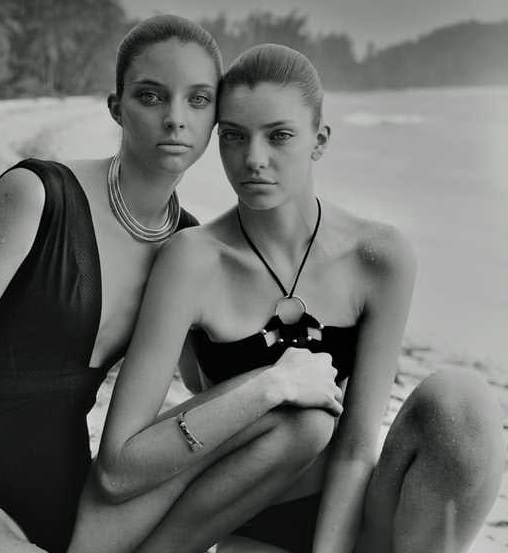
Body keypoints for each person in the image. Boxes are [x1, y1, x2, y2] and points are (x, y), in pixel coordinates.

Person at [72, 44, 505, 553]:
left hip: (354, 507)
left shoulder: (378, 257)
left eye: (279, 136)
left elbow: (356, 445)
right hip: (250, 513)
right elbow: (122, 464)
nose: (254, 159)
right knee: (305, 419)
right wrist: (268, 387)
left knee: (463, 404)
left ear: (319, 141)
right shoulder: (193, 259)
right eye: (234, 136)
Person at [0, 14, 225, 553]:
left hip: (77, 504)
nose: (175, 119)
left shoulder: (188, 246)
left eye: (198, 100)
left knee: (292, 430)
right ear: (116, 107)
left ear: (216, 120)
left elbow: (203, 382)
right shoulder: (36, 196)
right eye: (151, 96)